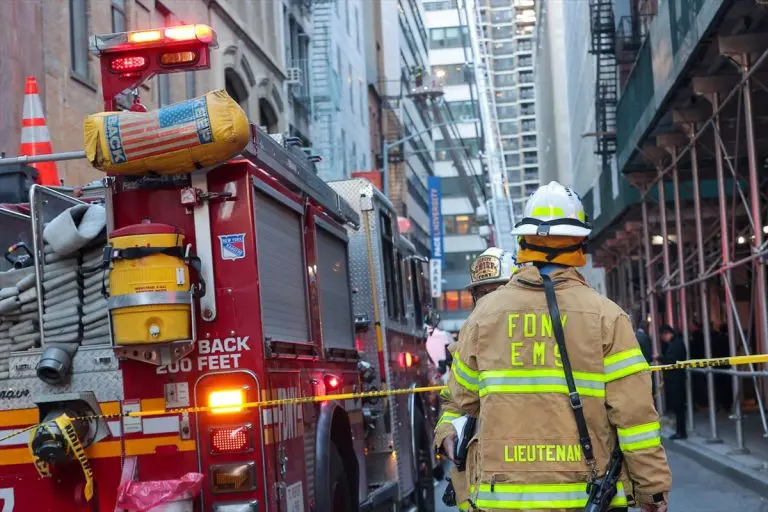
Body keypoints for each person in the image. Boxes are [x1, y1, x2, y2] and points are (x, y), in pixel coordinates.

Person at [446, 182, 671, 512]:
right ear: (580, 241)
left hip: (503, 500)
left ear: (523, 242)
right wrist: (652, 491)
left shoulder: (484, 316)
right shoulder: (608, 318)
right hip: (588, 497)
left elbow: (458, 402)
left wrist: (446, 438)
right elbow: (636, 420)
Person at [434, 247, 521, 511]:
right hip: (484, 480)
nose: (488, 303)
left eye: (496, 293)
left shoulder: (539, 335)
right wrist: (446, 432)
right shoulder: (469, 340)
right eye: (482, 294)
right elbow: (454, 403)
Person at [660, 324, 688, 439]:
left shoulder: (676, 344)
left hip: (676, 379)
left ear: (667, 333)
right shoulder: (676, 343)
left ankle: (681, 432)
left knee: (679, 406)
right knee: (678, 407)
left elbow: (672, 360)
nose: (663, 339)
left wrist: (662, 359)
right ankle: (680, 431)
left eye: (663, 336)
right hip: (675, 379)